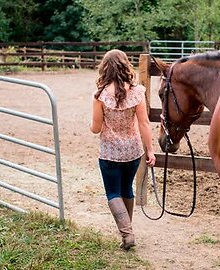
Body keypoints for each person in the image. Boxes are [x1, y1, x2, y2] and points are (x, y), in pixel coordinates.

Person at [89, 49, 156, 250]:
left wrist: (89, 125)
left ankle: (127, 234)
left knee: (113, 193)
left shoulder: (100, 96)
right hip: (133, 151)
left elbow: (96, 128)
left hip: (109, 152)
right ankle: (128, 230)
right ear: (125, 66)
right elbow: (144, 123)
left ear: (105, 69)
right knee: (127, 189)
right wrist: (150, 150)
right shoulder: (137, 92)